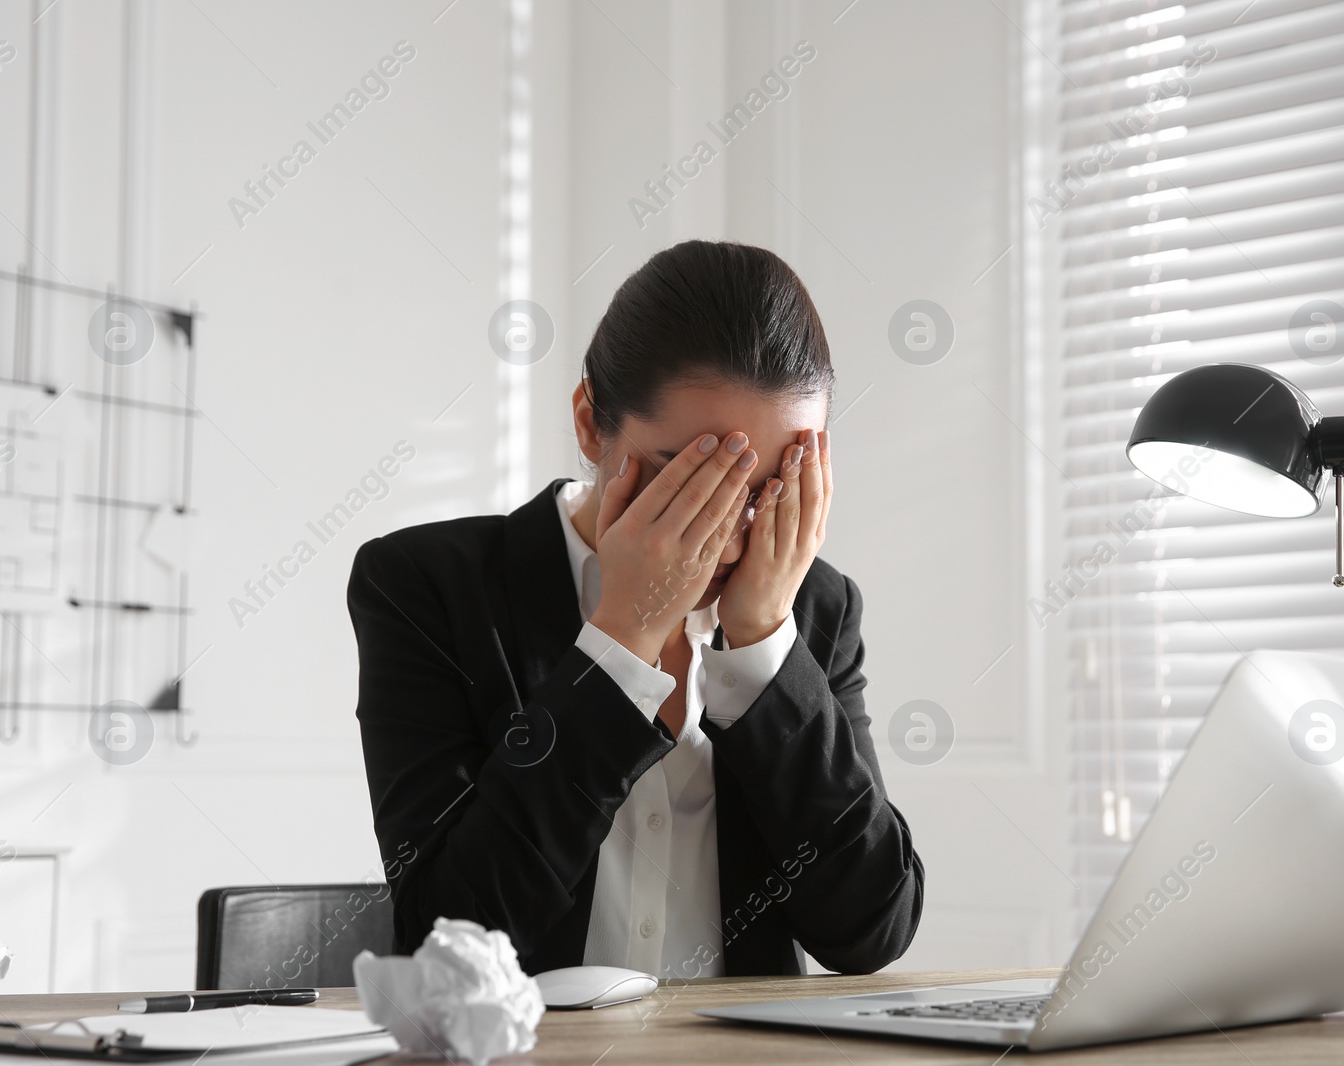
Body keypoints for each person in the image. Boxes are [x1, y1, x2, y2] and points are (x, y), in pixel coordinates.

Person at [348, 239, 923, 979]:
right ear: (591, 423)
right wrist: (622, 639)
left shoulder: (815, 606)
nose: (729, 529)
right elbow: (447, 937)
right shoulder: (426, 586)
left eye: (771, 483)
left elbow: (869, 930)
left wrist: (763, 648)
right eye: (686, 475)